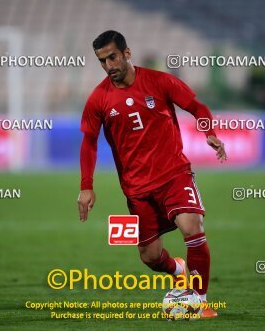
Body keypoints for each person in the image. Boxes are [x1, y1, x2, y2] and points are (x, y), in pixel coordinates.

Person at [78, 30, 227, 318]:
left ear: (127, 53)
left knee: (192, 227)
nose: (109, 66)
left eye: (112, 57)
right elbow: (89, 142)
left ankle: (199, 300)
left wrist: (209, 131)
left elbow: (198, 107)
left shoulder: (159, 82)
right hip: (136, 189)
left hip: (173, 174)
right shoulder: (99, 99)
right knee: (150, 256)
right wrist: (87, 186)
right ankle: (178, 270)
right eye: (102, 61)